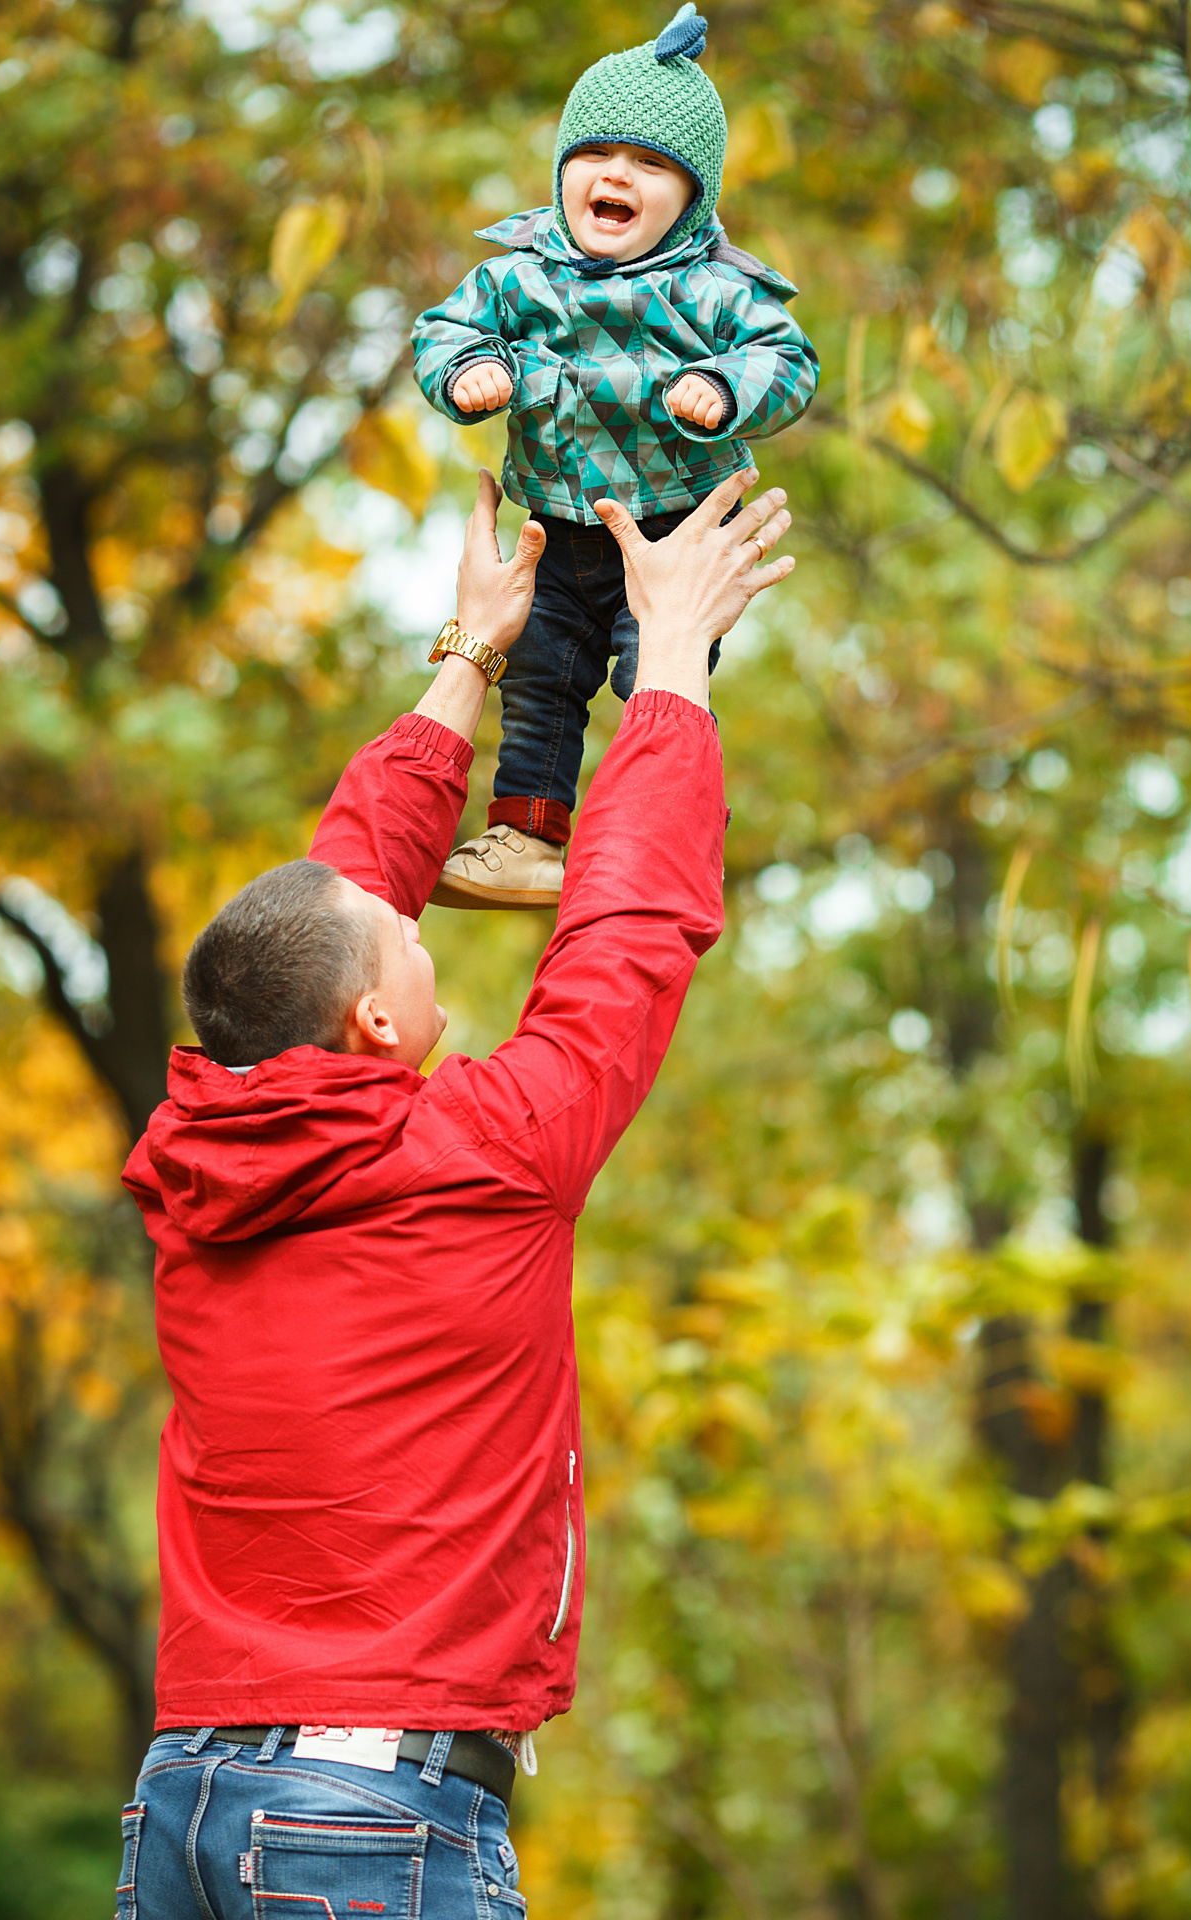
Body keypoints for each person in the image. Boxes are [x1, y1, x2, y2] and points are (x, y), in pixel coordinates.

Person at [115, 466, 792, 1919]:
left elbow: (324, 906)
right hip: (371, 1820)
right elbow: (630, 930)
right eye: (404, 942)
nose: (418, 923)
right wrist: (669, 662)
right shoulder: (482, 1155)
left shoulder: (193, 1163)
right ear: (369, 1024)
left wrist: (473, 652)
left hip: (185, 1796)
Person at [410, 3, 818, 911]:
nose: (617, 176)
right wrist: (471, 368)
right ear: (563, 172)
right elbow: (444, 330)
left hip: (670, 533)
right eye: (596, 157)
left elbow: (786, 359)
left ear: (693, 196)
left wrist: (722, 389)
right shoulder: (519, 273)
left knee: (657, 679)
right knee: (542, 684)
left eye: (651, 164)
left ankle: (667, 831)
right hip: (555, 530)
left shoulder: (712, 285)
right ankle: (524, 836)